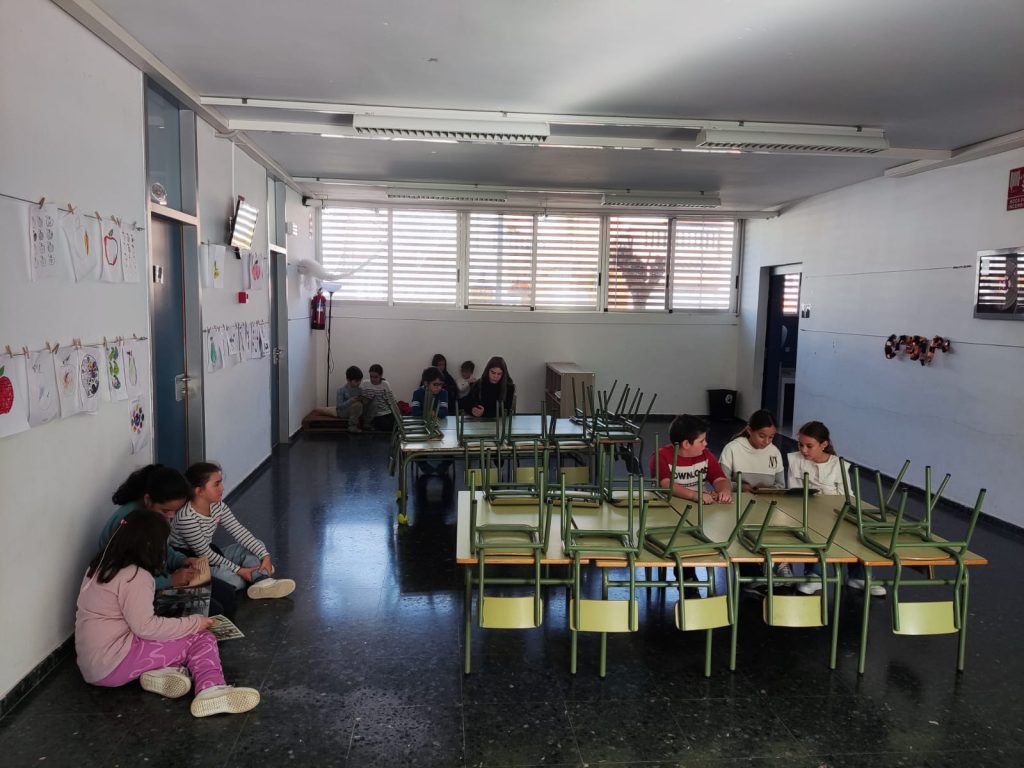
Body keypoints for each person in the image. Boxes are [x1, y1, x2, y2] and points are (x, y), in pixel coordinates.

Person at [75, 508, 260, 718]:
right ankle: (211, 689)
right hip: (114, 665)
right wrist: (195, 623)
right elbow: (146, 627)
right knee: (201, 637)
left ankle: (164, 672)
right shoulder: (135, 576)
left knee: (173, 627)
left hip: (92, 663)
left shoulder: (99, 566)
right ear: (151, 546)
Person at [103, 464, 237, 617]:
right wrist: (170, 581)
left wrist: (181, 560)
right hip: (137, 595)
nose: (171, 516)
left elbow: (163, 549)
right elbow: (129, 578)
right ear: (148, 500)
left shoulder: (156, 513)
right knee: (213, 609)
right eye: (166, 510)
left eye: (175, 511)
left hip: (159, 576)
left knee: (227, 594)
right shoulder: (130, 525)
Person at [170, 462, 296, 600]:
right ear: (199, 491)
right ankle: (260, 575)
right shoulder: (186, 517)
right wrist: (239, 570)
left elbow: (239, 531)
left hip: (211, 554)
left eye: (221, 482)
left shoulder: (218, 506)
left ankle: (260, 580)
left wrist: (265, 556)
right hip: (193, 563)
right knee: (236, 581)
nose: (222, 488)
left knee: (257, 546)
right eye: (216, 484)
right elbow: (204, 553)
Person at [788, 421, 885, 597]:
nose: (803, 450)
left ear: (824, 444)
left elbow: (847, 495)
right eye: (800, 445)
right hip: (808, 512)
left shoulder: (838, 464)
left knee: (855, 531)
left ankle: (859, 576)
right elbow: (794, 491)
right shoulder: (795, 460)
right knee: (812, 530)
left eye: (809, 446)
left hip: (835, 512)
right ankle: (814, 574)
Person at [719, 410, 791, 583]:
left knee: (778, 531)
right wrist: (741, 487)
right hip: (739, 507)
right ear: (750, 430)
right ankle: (754, 574)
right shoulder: (733, 448)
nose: (766, 442)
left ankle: (781, 564)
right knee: (745, 535)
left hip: (766, 506)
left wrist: (768, 490)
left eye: (771, 437)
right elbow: (720, 481)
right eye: (762, 436)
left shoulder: (774, 452)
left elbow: (780, 485)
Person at [650, 414, 733, 504]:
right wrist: (695, 495)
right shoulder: (661, 456)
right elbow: (666, 484)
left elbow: (720, 479)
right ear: (686, 444)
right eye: (701, 441)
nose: (705, 444)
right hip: (671, 504)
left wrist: (724, 491)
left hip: (700, 504)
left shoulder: (705, 454)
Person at [411, 367, 451, 476]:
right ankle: (424, 466)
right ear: (426, 383)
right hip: (422, 428)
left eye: (441, 385)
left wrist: (430, 413)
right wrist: (433, 413)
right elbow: (415, 412)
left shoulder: (443, 393)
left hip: (440, 428)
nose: (439, 388)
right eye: (435, 384)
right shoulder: (417, 393)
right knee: (417, 448)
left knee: (451, 445)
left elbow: (444, 412)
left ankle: (443, 467)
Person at [330, 365, 374, 433]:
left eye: (360, 380)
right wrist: (351, 400)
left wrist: (365, 399)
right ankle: (352, 426)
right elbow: (339, 406)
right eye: (356, 381)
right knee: (357, 405)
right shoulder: (341, 390)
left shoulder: (360, 390)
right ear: (348, 380)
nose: (359, 383)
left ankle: (366, 424)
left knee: (373, 402)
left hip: (357, 411)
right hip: (343, 412)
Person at [362, 363, 394, 431]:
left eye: (376, 377)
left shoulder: (385, 384)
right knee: (386, 427)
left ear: (381, 376)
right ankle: (372, 423)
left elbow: (391, 399)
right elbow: (363, 400)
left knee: (395, 425)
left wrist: (394, 411)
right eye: (371, 376)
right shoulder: (365, 383)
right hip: (374, 413)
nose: (373, 379)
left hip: (386, 411)